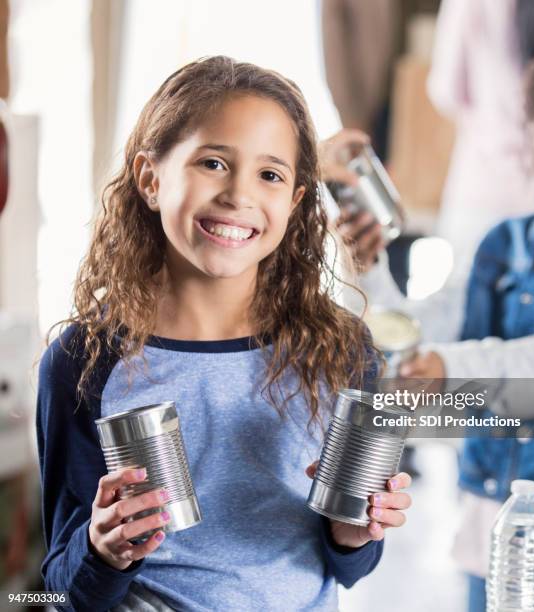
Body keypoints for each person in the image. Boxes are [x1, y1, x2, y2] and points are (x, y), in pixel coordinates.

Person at [35, 56, 412, 612]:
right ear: (150, 178)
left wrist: (353, 533)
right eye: (213, 162)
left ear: (295, 202)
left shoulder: (342, 352)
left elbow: (351, 565)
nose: (239, 195)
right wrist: (103, 548)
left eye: (270, 174)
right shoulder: (83, 361)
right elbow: (61, 587)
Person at [400, 21, 534, 611]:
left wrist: (448, 368)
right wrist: (364, 266)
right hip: (498, 519)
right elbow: (422, 332)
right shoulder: (509, 240)